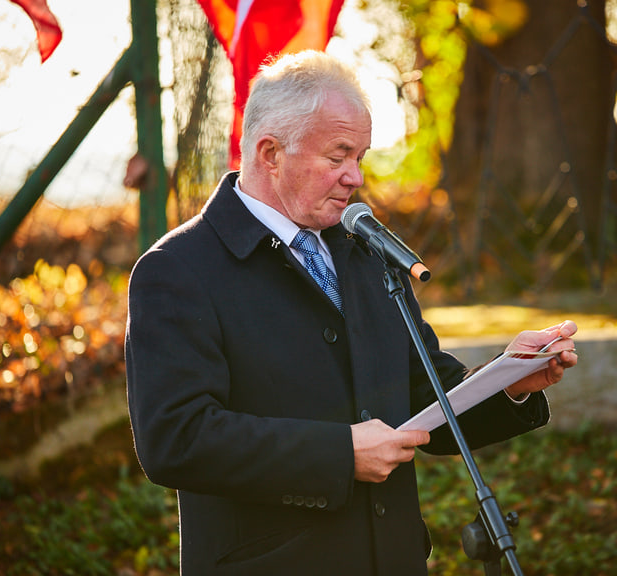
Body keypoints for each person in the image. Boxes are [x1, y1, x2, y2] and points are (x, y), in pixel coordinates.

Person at [125, 50, 578, 576]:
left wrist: (512, 381)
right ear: (270, 153)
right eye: (338, 157)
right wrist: (339, 454)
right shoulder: (177, 270)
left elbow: (423, 394)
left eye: (360, 157)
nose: (355, 178)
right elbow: (175, 439)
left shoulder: (365, 251)